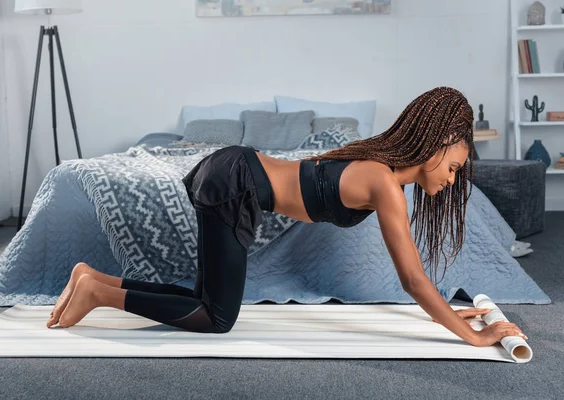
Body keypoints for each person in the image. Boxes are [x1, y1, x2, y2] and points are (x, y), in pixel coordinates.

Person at [46, 86, 528, 347]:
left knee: (203, 299)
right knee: (216, 319)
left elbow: (418, 281)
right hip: (233, 181)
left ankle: (94, 280)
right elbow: (413, 280)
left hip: (232, 171)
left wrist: (447, 312)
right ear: (438, 143)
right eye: (454, 165)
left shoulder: (380, 169)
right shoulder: (384, 182)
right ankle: (96, 292)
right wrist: (472, 334)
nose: (452, 177)